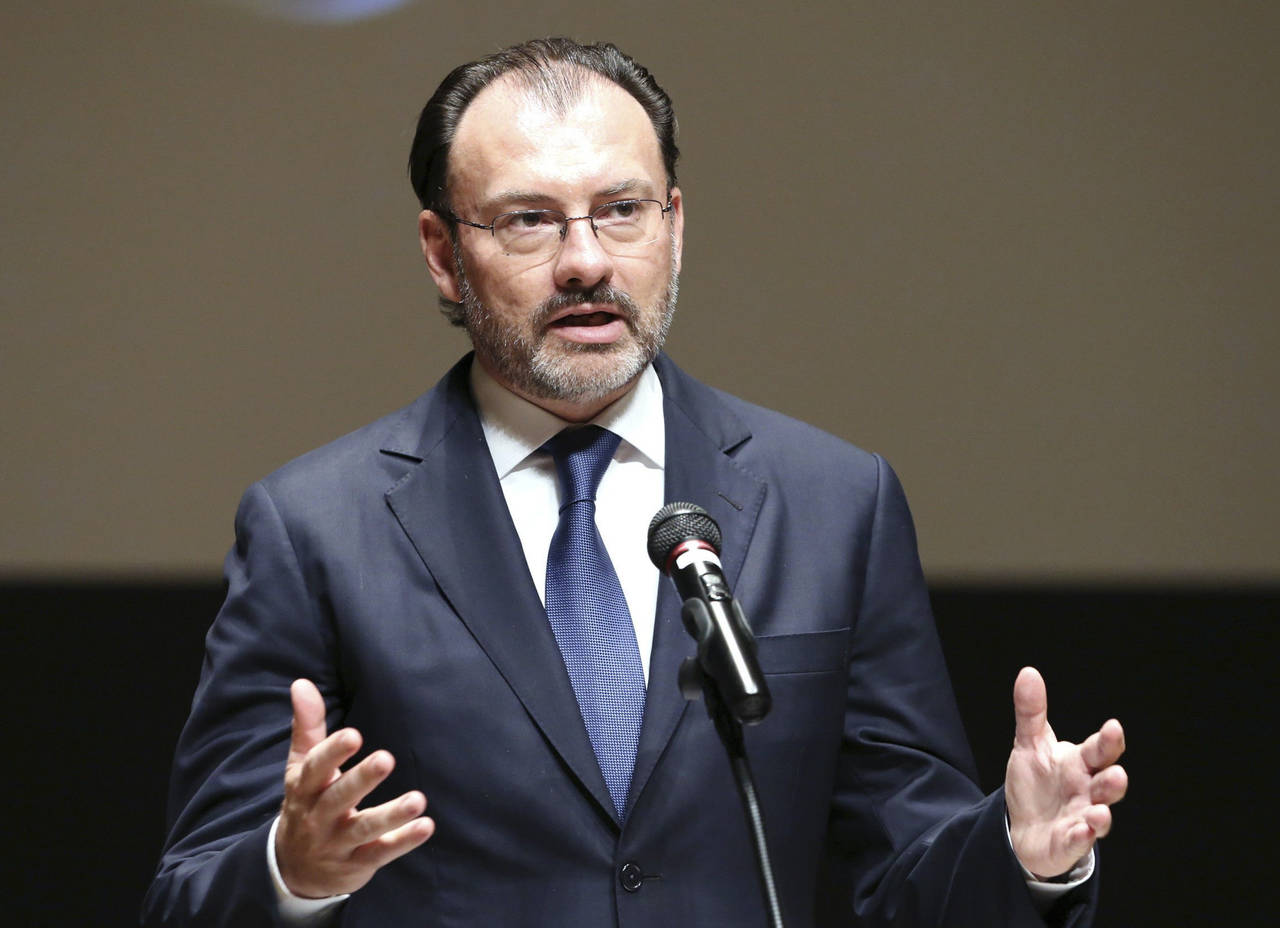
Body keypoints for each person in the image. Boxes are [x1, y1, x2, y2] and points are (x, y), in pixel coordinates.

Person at [142, 38, 1127, 928]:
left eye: (621, 211)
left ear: (674, 226)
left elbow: (907, 876)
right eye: (529, 221)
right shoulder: (317, 528)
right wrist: (292, 873)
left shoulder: (833, 502)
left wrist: (1021, 856)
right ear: (443, 254)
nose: (585, 262)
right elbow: (189, 893)